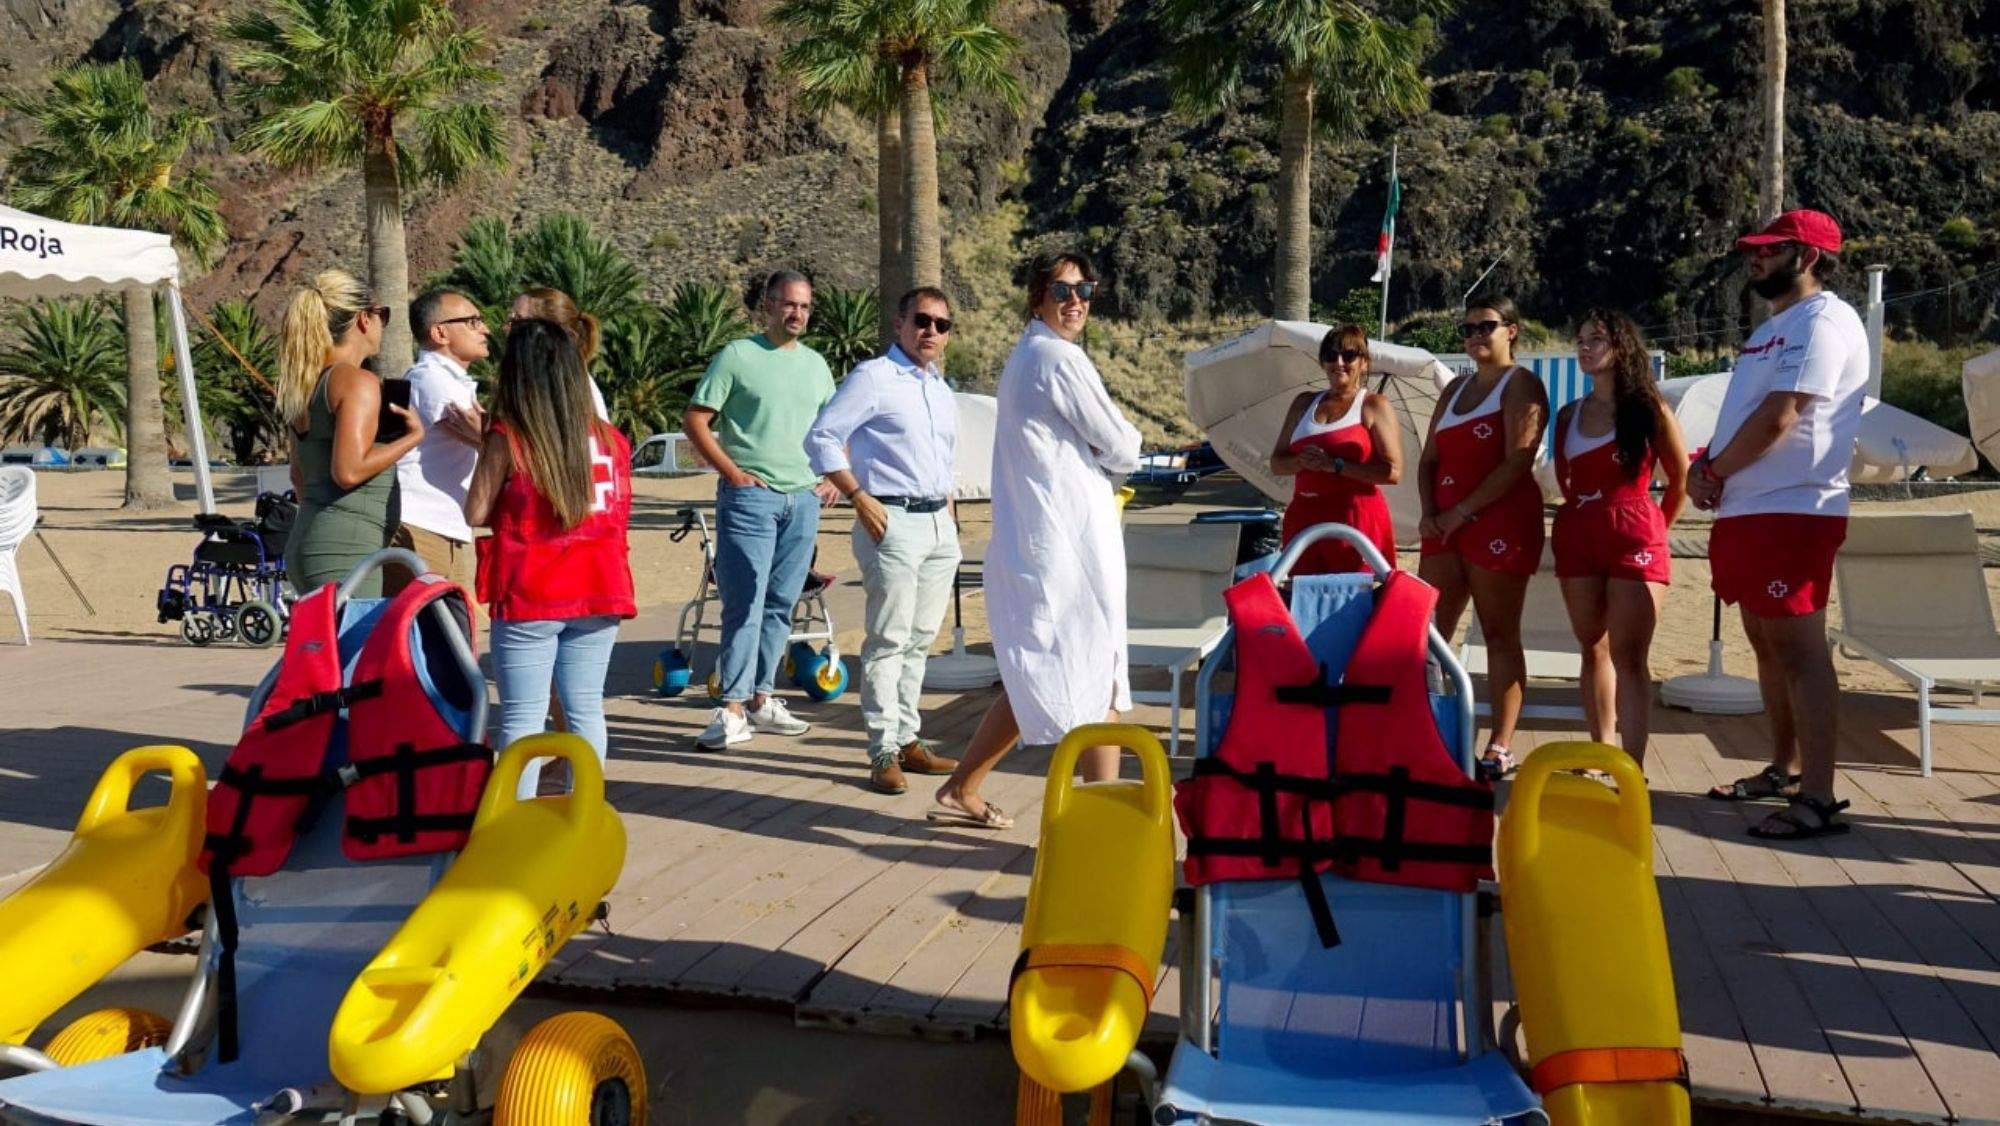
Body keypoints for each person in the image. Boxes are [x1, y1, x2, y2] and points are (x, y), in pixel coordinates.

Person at [930, 251, 1143, 829]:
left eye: (1084, 289)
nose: (1075, 300)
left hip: (1049, 542)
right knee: (1091, 676)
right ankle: (1103, 820)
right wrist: (1120, 446)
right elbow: (1123, 446)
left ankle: (962, 785)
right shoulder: (1055, 359)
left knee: (1043, 675)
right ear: (1037, 298)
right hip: (1068, 552)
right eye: (1062, 290)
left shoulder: (1030, 354)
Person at [1696, 210, 1866, 840]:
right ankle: (1783, 767)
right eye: (1754, 249)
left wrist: (1712, 468)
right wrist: (1705, 469)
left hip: (1796, 506)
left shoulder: (1826, 319)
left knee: (1799, 650)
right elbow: (1747, 413)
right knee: (1766, 646)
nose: (1755, 259)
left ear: (1811, 256)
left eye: (1771, 250)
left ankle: (1818, 797)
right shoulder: (1775, 326)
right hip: (1749, 506)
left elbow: (1780, 416)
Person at [464, 319, 636, 796]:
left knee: (522, 714)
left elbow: (476, 510)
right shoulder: (612, 439)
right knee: (585, 710)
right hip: (601, 586)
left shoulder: (511, 436)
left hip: (532, 590)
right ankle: (585, 811)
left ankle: (512, 825)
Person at [805, 286, 964, 794]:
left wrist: (950, 514)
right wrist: (857, 495)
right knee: (888, 639)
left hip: (939, 524)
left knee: (920, 640)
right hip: (890, 519)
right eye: (922, 320)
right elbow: (823, 436)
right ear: (899, 324)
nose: (931, 332)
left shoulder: (940, 386)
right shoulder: (874, 378)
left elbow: (940, 461)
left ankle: (909, 739)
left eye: (942, 324)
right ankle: (881, 750)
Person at [683, 270, 838, 751]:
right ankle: (730, 708)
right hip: (752, 497)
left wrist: (832, 477)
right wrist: (732, 473)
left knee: (781, 604)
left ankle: (762, 698)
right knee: (744, 601)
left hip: (803, 501)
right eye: (790, 304)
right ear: (768, 305)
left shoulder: (816, 366)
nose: (798, 314)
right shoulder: (737, 355)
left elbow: (835, 426)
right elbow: (696, 419)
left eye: (806, 307)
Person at [1417, 298, 1548, 778]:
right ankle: (1429, 730)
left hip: (1500, 521)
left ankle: (1500, 744)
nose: (1475, 335)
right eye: (1468, 328)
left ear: (1510, 330)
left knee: (1498, 632)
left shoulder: (1523, 385)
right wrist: (1432, 512)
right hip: (1446, 522)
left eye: (1486, 326)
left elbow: (1518, 460)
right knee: (1428, 634)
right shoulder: (1453, 389)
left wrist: (1461, 512)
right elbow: (1430, 458)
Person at [1551, 309, 1688, 766]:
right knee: (1592, 648)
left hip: (1634, 531)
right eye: (1580, 339)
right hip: (1578, 532)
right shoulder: (1569, 413)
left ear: (1621, 346)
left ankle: (1634, 764)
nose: (1584, 347)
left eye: (1596, 339)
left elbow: (1679, 478)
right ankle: (1601, 752)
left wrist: (1655, 530)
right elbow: (1565, 479)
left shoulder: (1649, 409)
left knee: (1630, 656)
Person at [276, 268, 424, 598]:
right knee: (355, 648)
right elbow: (348, 471)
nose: (383, 325)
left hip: (310, 539)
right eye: (382, 314)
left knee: (332, 648)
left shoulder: (304, 384)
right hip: (345, 551)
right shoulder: (356, 381)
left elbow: (299, 477)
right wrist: (411, 438)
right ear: (362, 320)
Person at [1269, 324, 1401, 573]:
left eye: (1349, 355)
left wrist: (1335, 465)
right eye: (1330, 355)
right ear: (1322, 362)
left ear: (1364, 362)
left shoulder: (1373, 404)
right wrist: (1300, 462)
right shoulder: (1304, 402)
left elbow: (1392, 472)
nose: (1338, 362)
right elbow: (1277, 463)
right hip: (1303, 515)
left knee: (1356, 600)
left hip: (1355, 515)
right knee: (1303, 601)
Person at [385, 288, 489, 595]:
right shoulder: (431, 377)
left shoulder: (450, 380)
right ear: (440, 332)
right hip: (421, 523)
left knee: (446, 627)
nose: (485, 329)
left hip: (441, 523)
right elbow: (487, 435)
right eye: (472, 321)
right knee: (427, 626)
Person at [508, 287, 611, 422]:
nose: (507, 327)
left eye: (517, 320)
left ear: (548, 330)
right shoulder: (535, 376)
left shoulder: (564, 384)